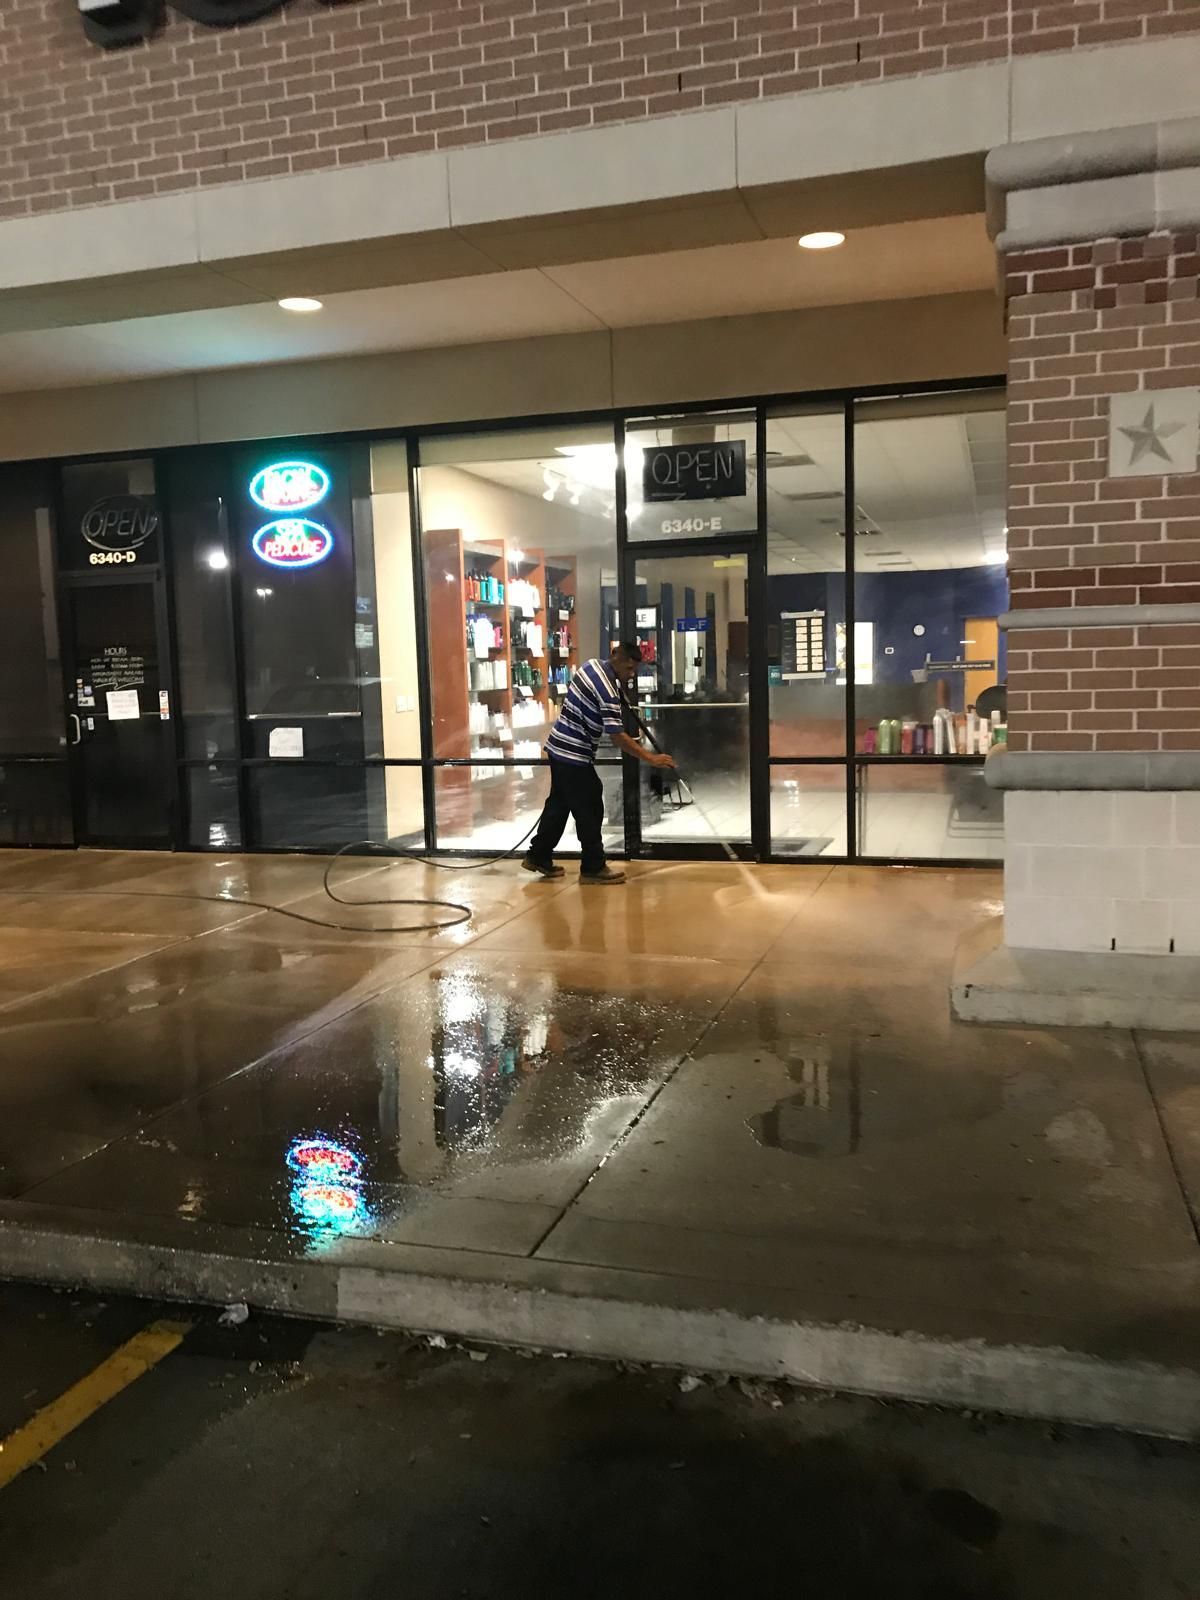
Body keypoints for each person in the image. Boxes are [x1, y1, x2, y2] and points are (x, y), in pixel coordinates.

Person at [522, 640, 675, 884]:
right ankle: (593, 866)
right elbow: (618, 737)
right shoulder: (607, 691)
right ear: (616, 658)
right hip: (573, 753)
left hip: (559, 747)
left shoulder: (590, 666)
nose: (631, 674)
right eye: (629, 669)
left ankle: (537, 855)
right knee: (590, 805)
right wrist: (651, 758)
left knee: (559, 805)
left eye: (634, 670)